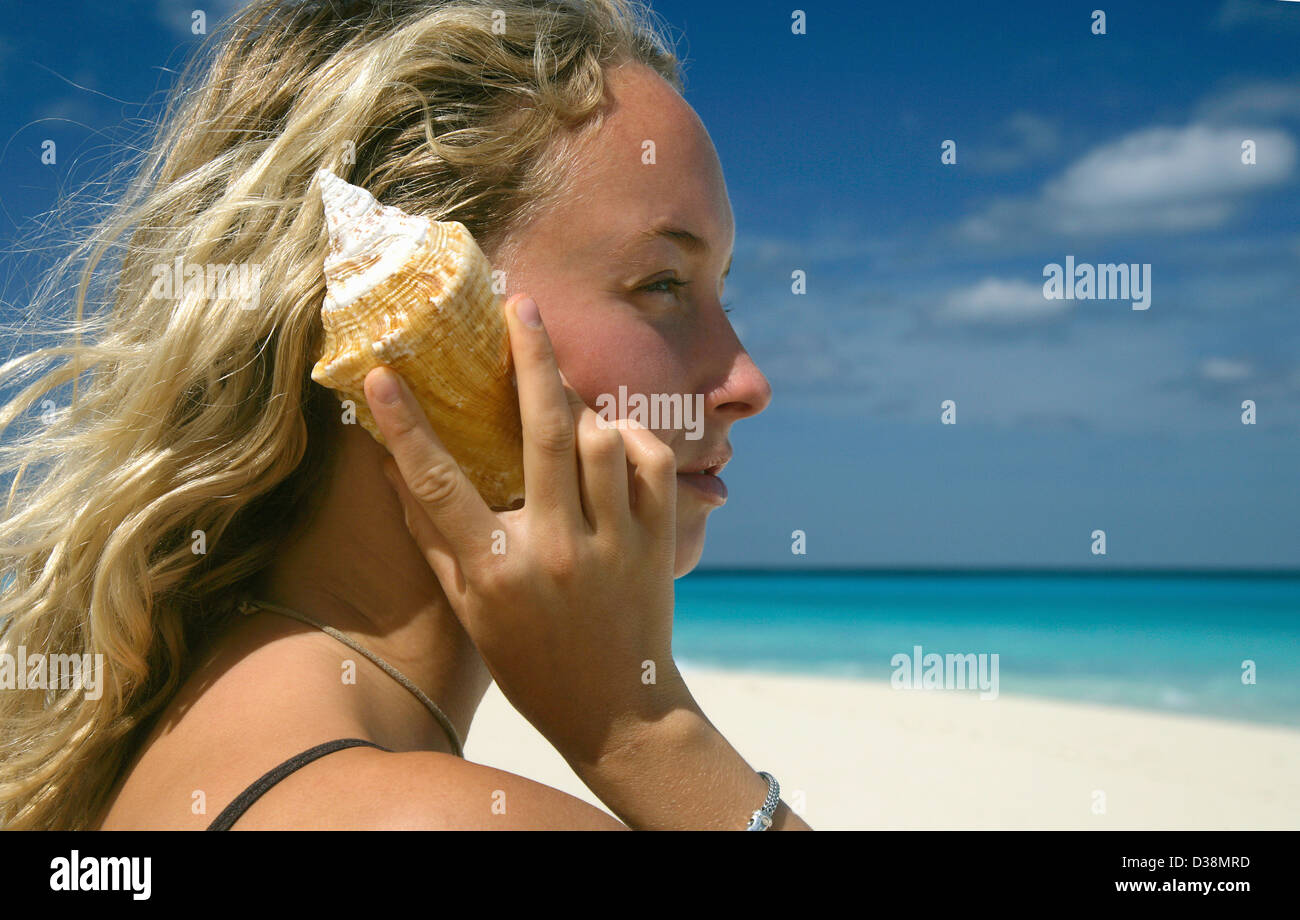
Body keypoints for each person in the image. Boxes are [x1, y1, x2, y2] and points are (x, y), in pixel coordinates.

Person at [0, 0, 804, 830]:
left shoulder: (193, 728)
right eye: (663, 283)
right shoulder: (439, 822)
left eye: (725, 293)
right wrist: (646, 731)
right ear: (415, 329)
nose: (748, 380)